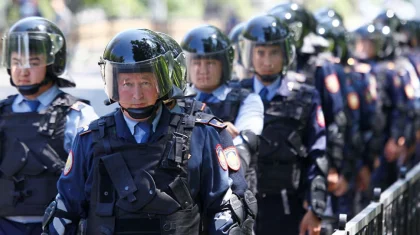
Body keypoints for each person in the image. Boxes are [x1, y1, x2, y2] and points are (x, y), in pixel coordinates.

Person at [42, 28, 254, 235]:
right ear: (113, 84)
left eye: (145, 82)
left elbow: (226, 211)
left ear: (162, 82)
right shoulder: (89, 139)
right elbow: (65, 213)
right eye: (127, 83)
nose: (137, 94)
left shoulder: (203, 134)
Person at [0, 17, 97, 235]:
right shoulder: (2, 112)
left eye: (33, 62)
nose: (23, 70)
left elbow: (94, 181)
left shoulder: (78, 116)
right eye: (16, 61)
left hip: (57, 227)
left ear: (53, 64)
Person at [238, 14, 328, 235]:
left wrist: (315, 209)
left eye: (274, 52)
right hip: (240, 207)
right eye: (260, 52)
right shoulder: (235, 95)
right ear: (249, 54)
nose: (267, 60)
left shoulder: (305, 96)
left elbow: (319, 153)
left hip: (288, 206)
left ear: (286, 53)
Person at [269, 3, 347, 198]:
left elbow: (336, 120)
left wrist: (333, 166)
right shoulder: (273, 64)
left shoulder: (320, 66)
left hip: (314, 160)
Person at [180, 25, 264, 187]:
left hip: (236, 188)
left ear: (224, 65)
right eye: (196, 63)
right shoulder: (177, 101)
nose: (202, 70)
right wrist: (217, 130)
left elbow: (244, 144)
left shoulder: (248, 99)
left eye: (210, 63)